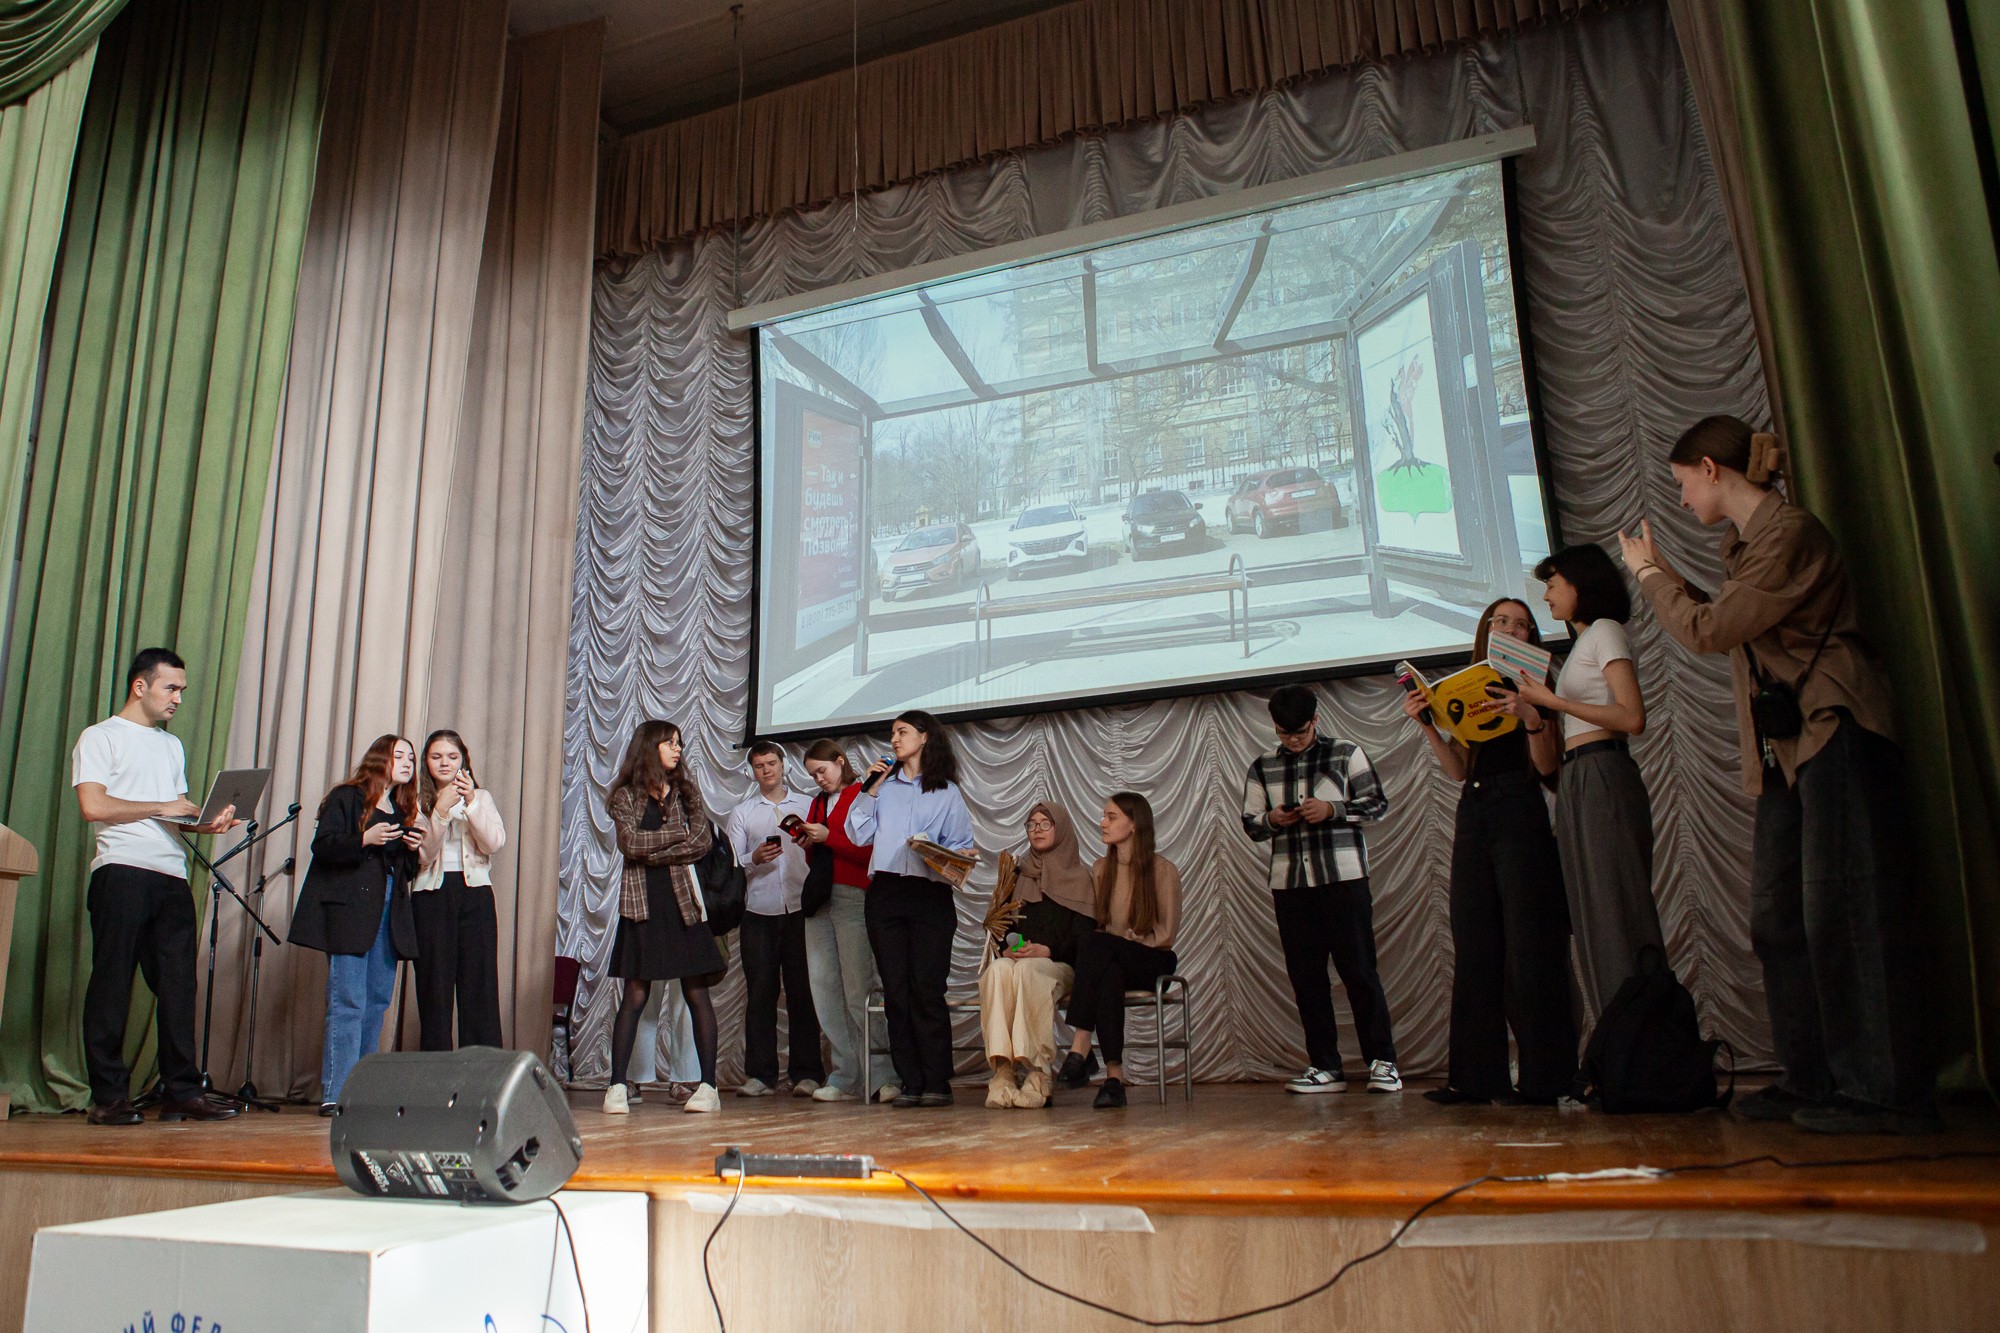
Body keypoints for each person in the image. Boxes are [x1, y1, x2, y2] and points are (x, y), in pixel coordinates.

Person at [1619, 416, 1932, 1134]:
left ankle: (1883, 1092)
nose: (1681, 499)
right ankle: (1811, 1078)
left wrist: (1649, 575)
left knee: (1844, 911)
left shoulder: (1789, 534)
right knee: (1779, 918)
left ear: (1711, 468)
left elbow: (1708, 630)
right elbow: (1726, 616)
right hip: (1786, 749)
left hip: (1835, 726)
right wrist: (1666, 575)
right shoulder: (1743, 547)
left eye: (1683, 483)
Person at [1403, 599, 1577, 1106]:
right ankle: (1476, 1078)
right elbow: (1459, 769)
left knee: (1529, 943)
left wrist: (1531, 716)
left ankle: (1546, 1079)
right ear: (1486, 630)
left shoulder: (1536, 686)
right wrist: (1428, 725)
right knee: (1474, 939)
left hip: (1520, 808)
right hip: (1474, 807)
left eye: (1522, 624)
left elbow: (1548, 769)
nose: (1511, 629)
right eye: (1501, 621)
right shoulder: (1471, 686)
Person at [72, 648, 243, 1125]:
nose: (178, 698)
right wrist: (162, 805)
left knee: (178, 986)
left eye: (182, 690)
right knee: (112, 984)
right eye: (171, 688)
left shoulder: (171, 746)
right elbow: (93, 806)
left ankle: (182, 1091)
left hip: (171, 875)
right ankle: (108, 1098)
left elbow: (174, 814)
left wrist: (204, 822)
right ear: (140, 686)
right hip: (121, 870)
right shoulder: (100, 736)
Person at [1509, 544, 1665, 1022]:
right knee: (1591, 912)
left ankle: (1642, 1036)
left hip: (1603, 770)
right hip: (1577, 775)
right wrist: (1535, 712)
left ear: (1581, 585)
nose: (1547, 597)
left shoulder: (1606, 631)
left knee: (1616, 907)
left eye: (1553, 585)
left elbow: (1632, 717)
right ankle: (1617, 1036)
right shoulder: (1583, 642)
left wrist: (1553, 704)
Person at [1240, 684, 1401, 1095]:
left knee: (1359, 972)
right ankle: (1325, 1066)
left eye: (1299, 731)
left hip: (1344, 879)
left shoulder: (1346, 753)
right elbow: (1251, 824)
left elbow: (1377, 804)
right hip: (1291, 884)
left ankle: (1383, 1062)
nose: (1292, 740)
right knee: (1307, 979)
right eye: (1284, 733)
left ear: (1315, 720)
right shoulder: (1262, 766)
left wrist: (1333, 810)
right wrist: (1274, 819)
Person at [846, 710, 976, 1108]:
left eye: (902, 732)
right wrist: (869, 789)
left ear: (924, 737)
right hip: (886, 893)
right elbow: (857, 833)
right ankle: (910, 1080)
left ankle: (937, 1080)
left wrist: (954, 855)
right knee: (895, 991)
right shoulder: (881, 787)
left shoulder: (947, 791)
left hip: (929, 893)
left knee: (926, 987)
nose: (895, 740)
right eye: (892, 733)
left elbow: (961, 844)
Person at [290, 734, 426, 1113]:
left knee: (377, 1002)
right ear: (380, 759)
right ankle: (337, 1092)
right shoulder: (347, 797)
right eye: (400, 755)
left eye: (411, 758)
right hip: (350, 912)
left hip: (389, 913)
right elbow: (323, 846)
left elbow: (404, 871)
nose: (408, 763)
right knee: (348, 1000)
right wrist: (364, 838)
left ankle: (362, 1093)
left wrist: (412, 851)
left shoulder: (401, 809)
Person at [605, 720, 722, 1115]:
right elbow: (630, 843)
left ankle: (708, 1086)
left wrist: (653, 851)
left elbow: (701, 843)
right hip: (642, 905)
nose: (677, 749)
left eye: (680, 744)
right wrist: (675, 835)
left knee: (696, 992)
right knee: (635, 994)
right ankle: (617, 1086)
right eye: (670, 743)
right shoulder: (625, 796)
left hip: (683, 904)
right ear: (650, 746)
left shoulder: (687, 793)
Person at [1056, 793, 1182, 1109]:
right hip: (1110, 958)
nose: (1103, 822)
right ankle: (1114, 1080)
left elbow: (1166, 933)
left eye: (1111, 817)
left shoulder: (1163, 870)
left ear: (1134, 825)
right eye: (1104, 816)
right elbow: (1100, 927)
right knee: (1108, 973)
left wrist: (1126, 943)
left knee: (1096, 945)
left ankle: (1081, 1043)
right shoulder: (1101, 869)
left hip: (1152, 958)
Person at [725, 742, 826, 1098]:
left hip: (801, 909)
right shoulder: (742, 812)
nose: (766, 770)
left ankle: (807, 1073)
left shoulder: (808, 805)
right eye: (759, 765)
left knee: (803, 992)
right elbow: (730, 864)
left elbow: (824, 852)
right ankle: (761, 1075)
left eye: (771, 763)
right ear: (751, 771)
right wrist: (753, 857)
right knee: (760, 994)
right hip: (758, 912)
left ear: (784, 765)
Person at [981, 802, 1097, 1109]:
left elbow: (1085, 940)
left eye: (1045, 824)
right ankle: (1004, 1070)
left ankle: (1038, 1072)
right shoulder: (1018, 875)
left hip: (1060, 965)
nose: (1037, 830)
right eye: (1031, 824)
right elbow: (1003, 927)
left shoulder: (1080, 877)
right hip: (1021, 962)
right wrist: (1007, 948)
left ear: (1061, 829)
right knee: (998, 970)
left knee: (1029, 971)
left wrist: (1048, 950)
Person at [799, 739, 896, 1103]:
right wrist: (810, 843)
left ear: (841, 762)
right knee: (824, 988)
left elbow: (871, 849)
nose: (819, 779)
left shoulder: (863, 793)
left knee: (859, 989)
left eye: (822, 771)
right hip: (819, 898)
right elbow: (819, 858)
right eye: (813, 774)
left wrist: (829, 838)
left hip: (854, 893)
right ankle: (844, 1074)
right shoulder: (817, 802)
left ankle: (883, 1075)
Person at [409, 730, 507, 1051]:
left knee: (480, 985)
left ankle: (481, 1070)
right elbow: (423, 856)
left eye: (452, 757)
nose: (445, 763)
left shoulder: (482, 797)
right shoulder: (416, 801)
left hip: (475, 894)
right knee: (434, 986)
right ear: (426, 761)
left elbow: (493, 843)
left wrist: (472, 803)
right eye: (436, 757)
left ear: (463, 760)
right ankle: (436, 1071)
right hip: (431, 897)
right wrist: (438, 811)